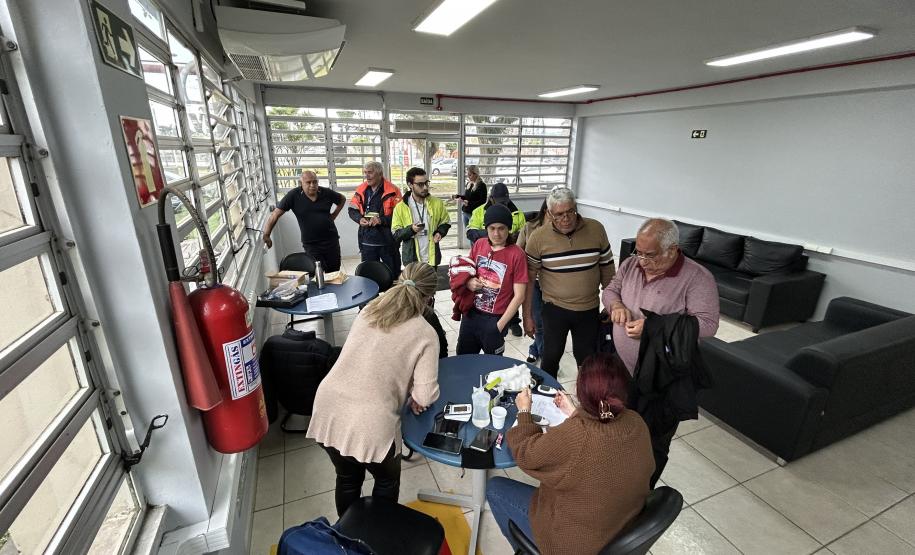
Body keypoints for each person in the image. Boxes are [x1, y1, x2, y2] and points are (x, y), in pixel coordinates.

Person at [306, 263, 441, 517]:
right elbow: (425, 396)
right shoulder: (425, 332)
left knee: (347, 478)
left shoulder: (370, 309)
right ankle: (378, 537)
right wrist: (413, 394)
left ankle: (346, 538)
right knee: (386, 481)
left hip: (328, 407)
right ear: (429, 297)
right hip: (371, 423)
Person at [487, 353, 654, 555]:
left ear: (582, 392)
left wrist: (524, 411)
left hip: (574, 544)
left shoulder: (578, 436)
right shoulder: (636, 421)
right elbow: (603, 431)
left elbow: (525, 454)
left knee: (495, 488)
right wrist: (575, 413)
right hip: (618, 526)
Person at [602, 218, 719, 483]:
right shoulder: (631, 264)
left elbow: (709, 325)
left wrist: (653, 328)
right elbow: (610, 290)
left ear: (672, 249)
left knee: (652, 440)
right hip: (625, 368)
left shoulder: (697, 278)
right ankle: (615, 479)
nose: (641, 259)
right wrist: (616, 306)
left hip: (662, 377)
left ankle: (642, 491)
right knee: (620, 423)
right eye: (638, 251)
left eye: (649, 254)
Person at [523, 187, 615, 379]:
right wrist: (527, 316)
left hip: (588, 309)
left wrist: (610, 304)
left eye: (570, 212)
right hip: (554, 309)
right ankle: (548, 399)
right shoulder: (538, 238)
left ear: (576, 208)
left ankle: (586, 400)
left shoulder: (596, 229)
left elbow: (608, 269)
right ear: (549, 214)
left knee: (587, 360)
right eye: (559, 215)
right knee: (550, 357)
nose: (566, 219)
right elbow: (529, 280)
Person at [455, 204, 528, 355]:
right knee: (464, 359)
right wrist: (468, 282)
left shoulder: (517, 254)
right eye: (492, 228)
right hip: (471, 314)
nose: (496, 233)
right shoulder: (480, 244)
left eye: (501, 228)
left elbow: (519, 296)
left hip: (495, 319)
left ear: (509, 228)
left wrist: (499, 326)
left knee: (493, 367)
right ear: (486, 228)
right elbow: (466, 271)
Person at [263, 170, 345, 271]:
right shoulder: (293, 195)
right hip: (311, 244)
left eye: (315, 182)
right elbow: (275, 215)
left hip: (331, 240)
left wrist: (334, 215)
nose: (312, 185)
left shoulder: (325, 192)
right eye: (308, 182)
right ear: (301, 183)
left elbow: (342, 199)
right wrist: (266, 234)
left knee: (334, 271)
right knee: (317, 272)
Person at [348, 161, 402, 274]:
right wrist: (359, 219)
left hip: (388, 242)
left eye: (370, 172)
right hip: (367, 241)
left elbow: (400, 216)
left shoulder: (393, 191)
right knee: (369, 276)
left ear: (380, 174)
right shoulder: (361, 189)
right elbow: (352, 209)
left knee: (393, 275)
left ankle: (393, 293)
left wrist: (381, 220)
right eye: (365, 173)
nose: (367, 176)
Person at [392, 167, 451, 267]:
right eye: (420, 184)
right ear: (410, 185)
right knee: (414, 283)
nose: (425, 187)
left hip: (431, 258)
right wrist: (411, 229)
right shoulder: (400, 207)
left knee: (431, 283)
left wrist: (440, 232)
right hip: (411, 260)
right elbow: (396, 234)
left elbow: (446, 222)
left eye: (426, 183)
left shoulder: (437, 203)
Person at [516, 200, 548, 363]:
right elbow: (517, 252)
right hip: (533, 282)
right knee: (538, 320)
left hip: (553, 283)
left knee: (548, 322)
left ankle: (535, 349)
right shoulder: (529, 227)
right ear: (545, 211)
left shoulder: (564, 231)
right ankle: (545, 356)